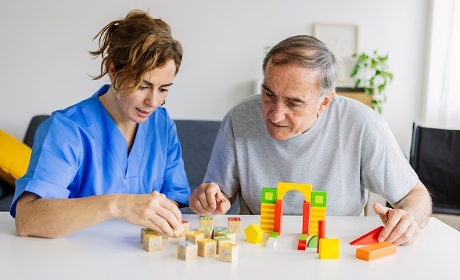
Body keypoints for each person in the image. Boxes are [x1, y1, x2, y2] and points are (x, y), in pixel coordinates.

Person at [189, 34, 432, 245]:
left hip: (335, 249)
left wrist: (409, 218)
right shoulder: (239, 118)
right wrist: (209, 199)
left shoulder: (364, 125)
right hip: (258, 246)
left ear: (324, 102)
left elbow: (415, 196)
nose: (276, 114)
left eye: (294, 102)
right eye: (268, 94)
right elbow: (219, 195)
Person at [11, 10, 190, 238]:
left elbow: (174, 199)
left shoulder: (162, 125)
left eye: (163, 89)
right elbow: (27, 220)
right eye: (143, 86)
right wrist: (117, 205)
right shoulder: (66, 129)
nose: (153, 102)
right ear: (113, 71)